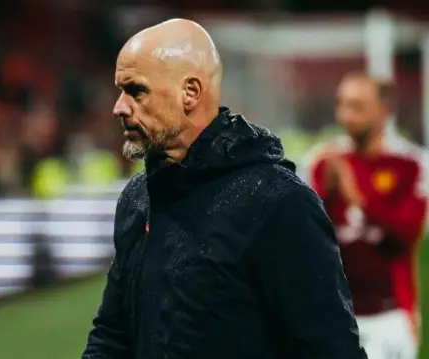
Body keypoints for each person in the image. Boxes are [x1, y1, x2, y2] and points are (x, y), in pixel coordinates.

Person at [81, 18, 367, 359]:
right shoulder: (138, 199)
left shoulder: (279, 202)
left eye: (136, 90)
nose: (119, 107)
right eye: (120, 91)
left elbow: (330, 348)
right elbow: (113, 335)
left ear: (190, 92)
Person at [301, 72, 427, 359]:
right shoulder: (323, 163)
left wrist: (357, 197)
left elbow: (407, 232)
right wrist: (325, 195)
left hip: (389, 316)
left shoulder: (410, 165)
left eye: (357, 106)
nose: (346, 115)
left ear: (385, 111)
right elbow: (305, 240)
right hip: (335, 314)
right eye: (342, 105)